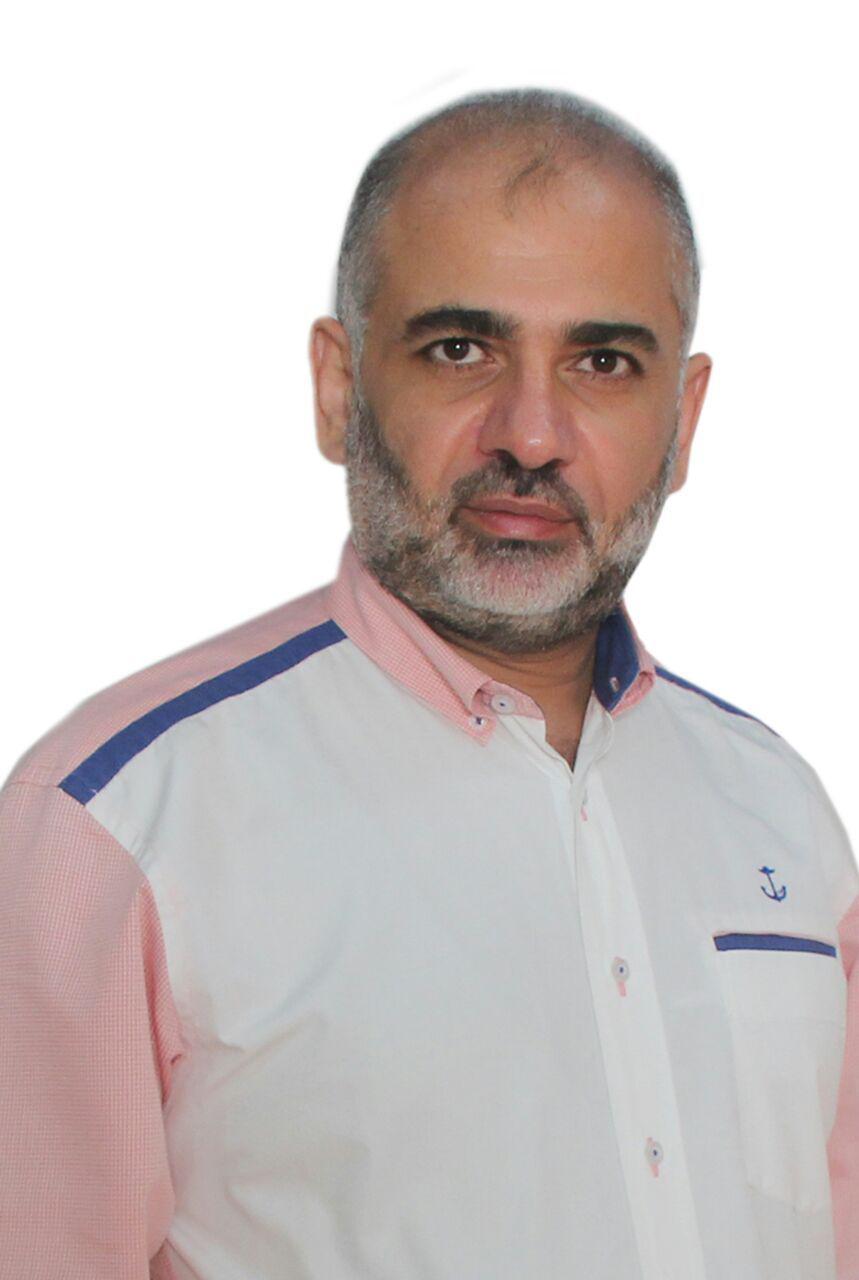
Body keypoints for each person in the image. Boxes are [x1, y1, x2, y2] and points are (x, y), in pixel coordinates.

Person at [1, 86, 857, 1280]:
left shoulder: (780, 810)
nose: (531, 434)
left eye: (603, 361)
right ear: (339, 385)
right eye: (461, 349)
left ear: (682, 417)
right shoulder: (114, 823)